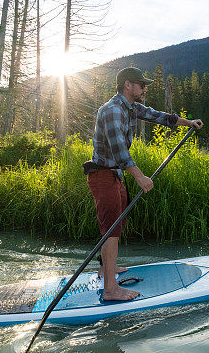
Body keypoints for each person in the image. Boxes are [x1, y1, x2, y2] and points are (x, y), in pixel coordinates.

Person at [87, 67, 203, 301]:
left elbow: (159, 116)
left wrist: (188, 122)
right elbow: (120, 151)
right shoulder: (111, 110)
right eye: (142, 85)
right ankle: (110, 289)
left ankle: (104, 269)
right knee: (111, 229)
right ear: (127, 85)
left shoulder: (131, 108)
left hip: (115, 175)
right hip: (102, 174)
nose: (145, 88)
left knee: (115, 225)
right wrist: (140, 177)